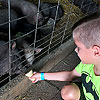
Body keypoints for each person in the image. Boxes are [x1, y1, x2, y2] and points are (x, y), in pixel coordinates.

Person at [28, 18, 100, 100]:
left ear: (96, 52)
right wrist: (41, 76)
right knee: (67, 92)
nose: (75, 50)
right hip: (88, 93)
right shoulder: (87, 64)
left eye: (79, 48)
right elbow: (71, 75)